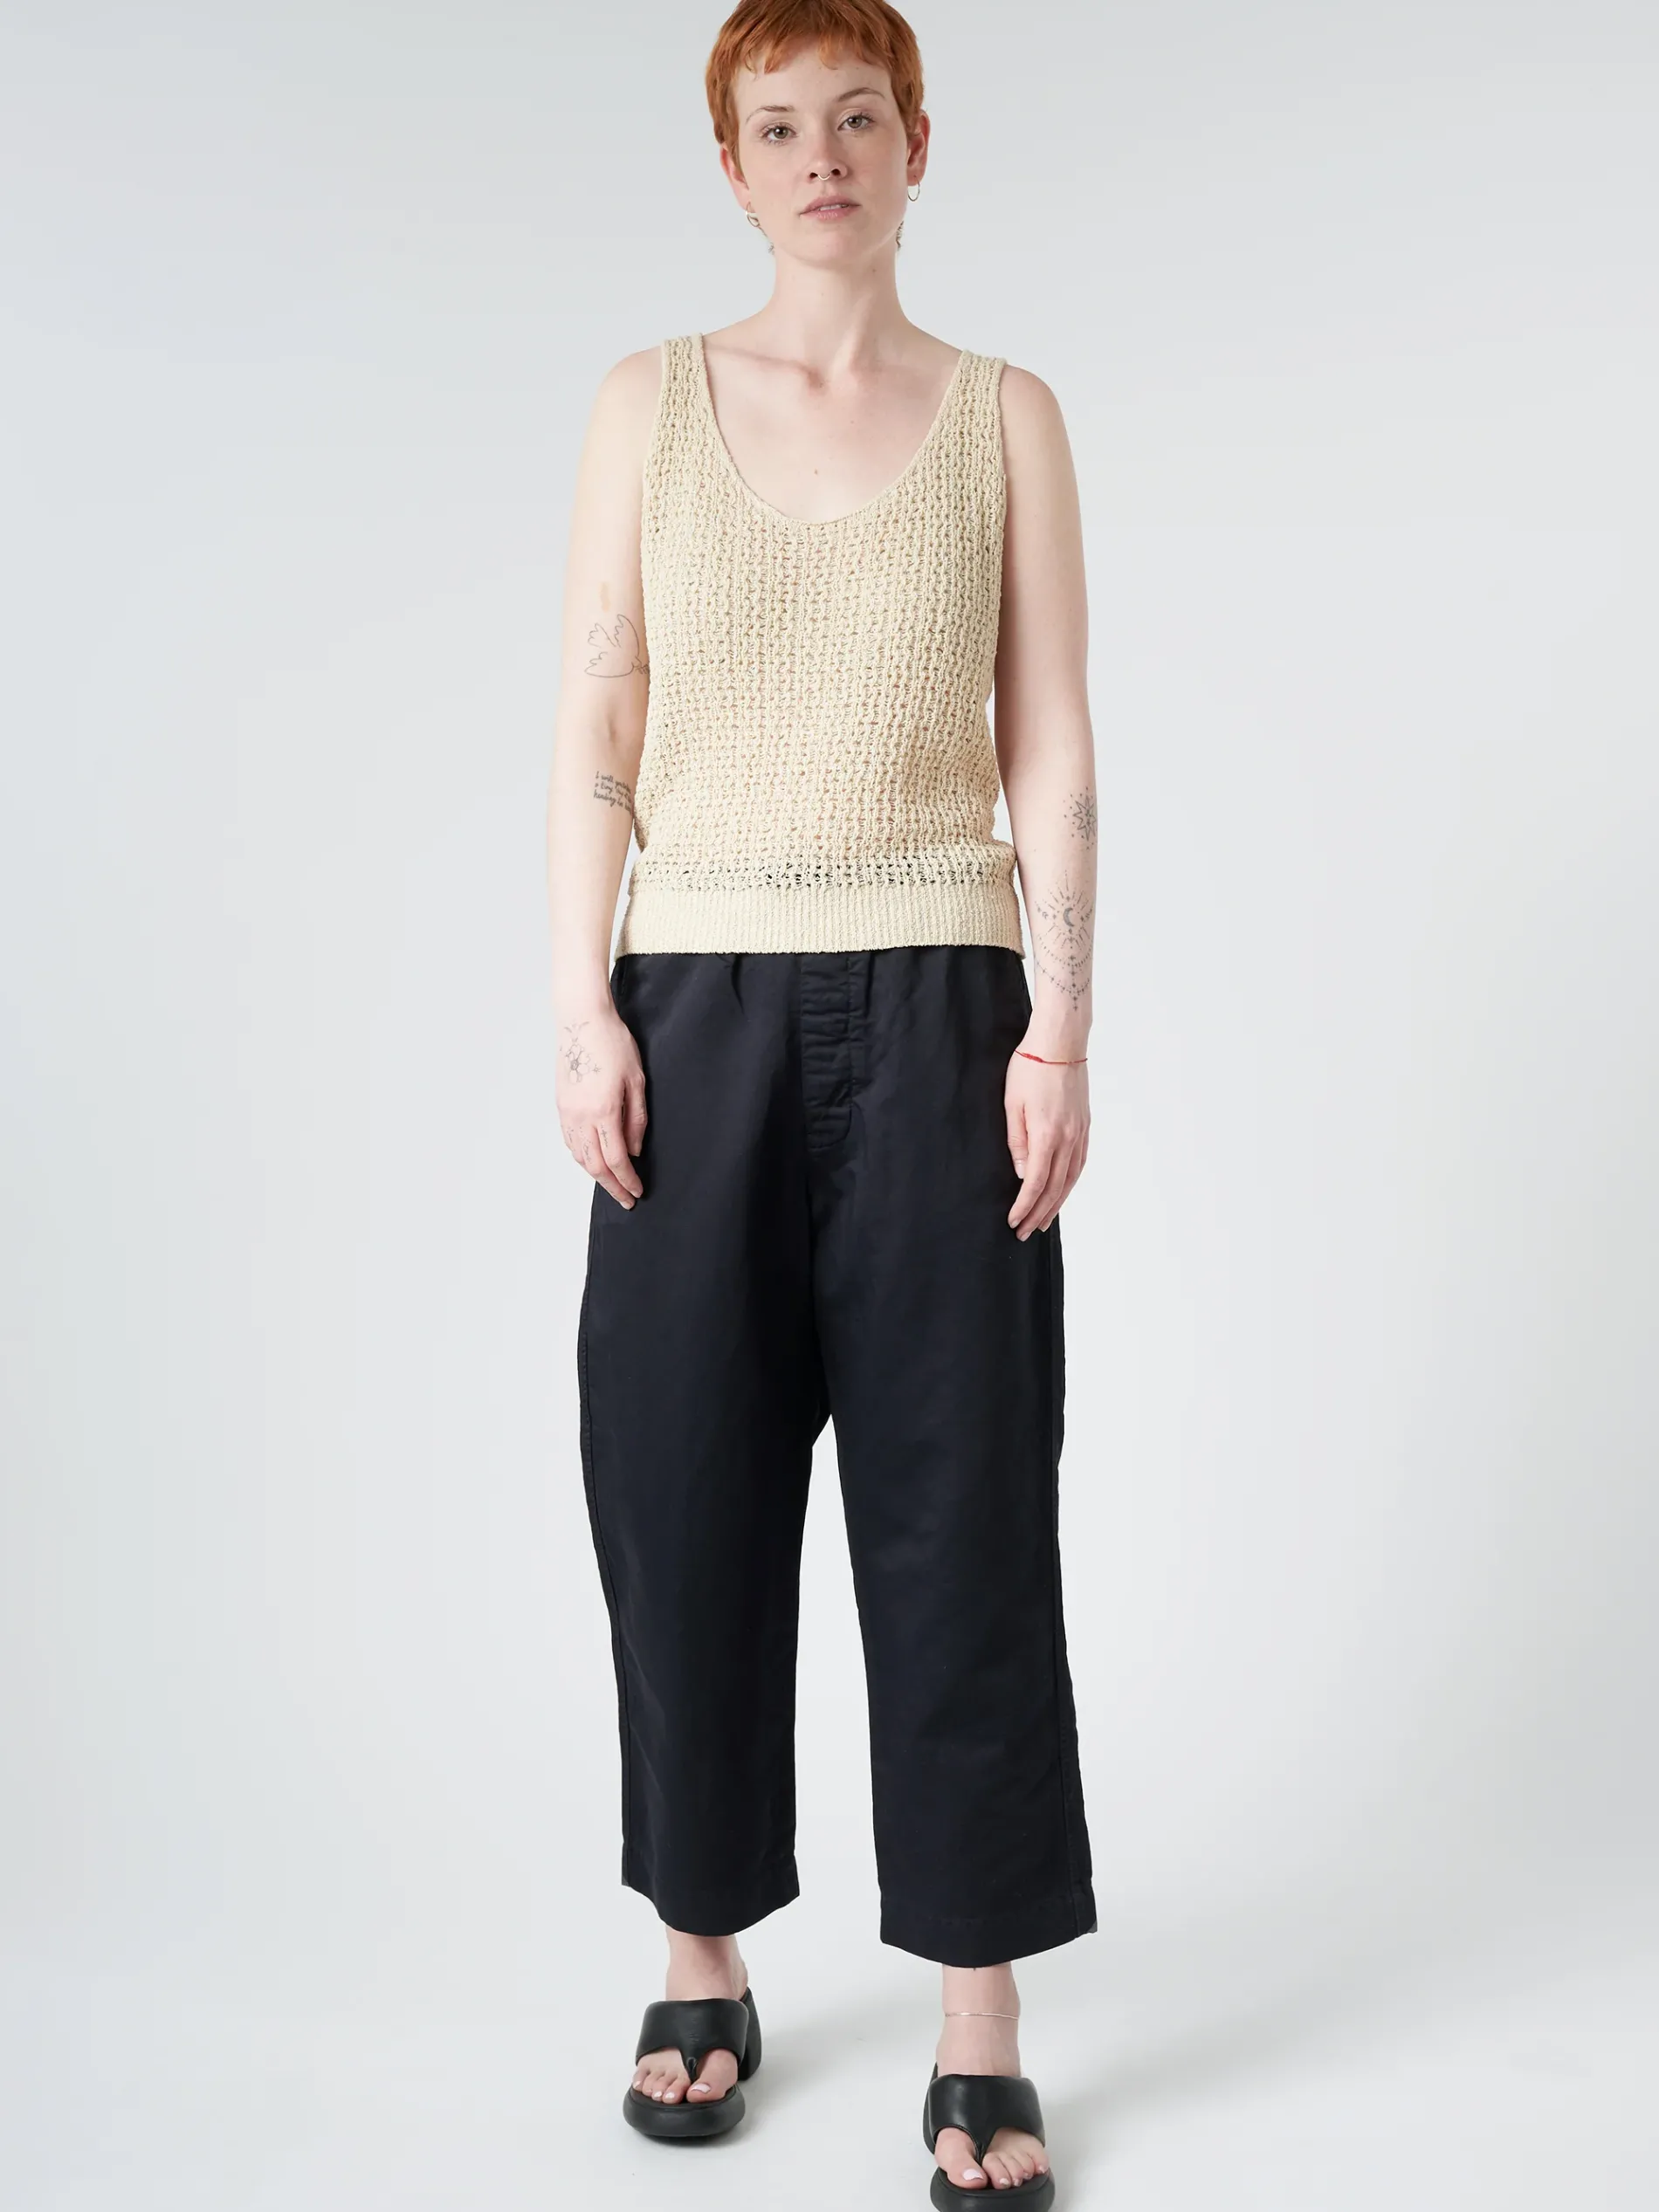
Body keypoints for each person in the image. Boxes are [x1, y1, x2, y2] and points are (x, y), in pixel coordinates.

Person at [545, 3, 1098, 2202]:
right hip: (692, 1002)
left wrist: (1060, 1027)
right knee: (676, 1486)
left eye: (855, 116)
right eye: (774, 125)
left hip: (949, 1002)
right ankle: (700, 1953)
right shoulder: (644, 405)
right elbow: (596, 721)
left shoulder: (1003, 416)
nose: (819, 156)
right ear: (730, 163)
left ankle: (979, 2013)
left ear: (915, 142)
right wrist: (579, 1005)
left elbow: (1048, 742)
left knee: (962, 1508)